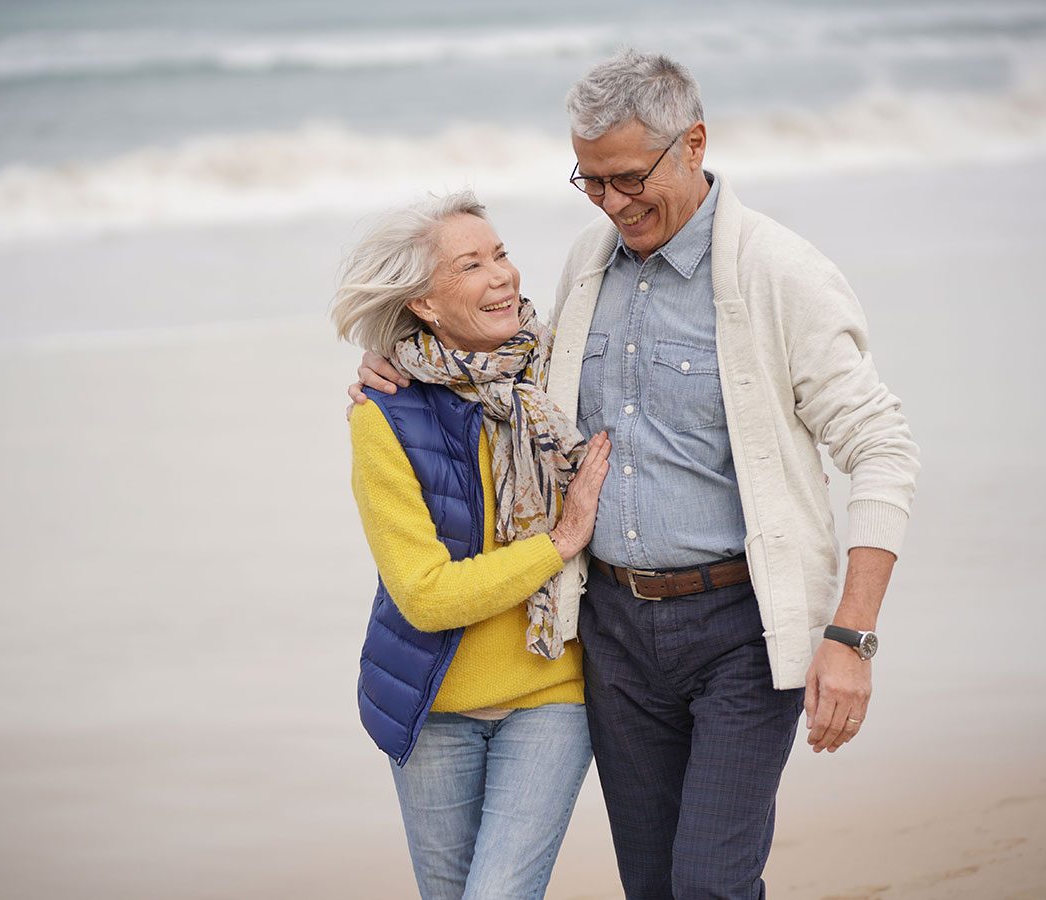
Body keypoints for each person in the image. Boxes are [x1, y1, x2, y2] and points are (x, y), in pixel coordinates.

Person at [350, 51, 920, 899]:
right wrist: (387, 353)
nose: (613, 204)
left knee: (709, 884)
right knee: (653, 885)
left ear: (693, 144)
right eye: (590, 183)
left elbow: (882, 446)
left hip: (742, 629)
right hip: (613, 633)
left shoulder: (780, 273)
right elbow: (505, 370)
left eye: (627, 178)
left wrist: (851, 636)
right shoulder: (588, 263)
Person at [333, 190, 612, 900]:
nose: (503, 277)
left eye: (502, 254)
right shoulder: (384, 413)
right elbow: (425, 596)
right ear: (424, 302)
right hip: (431, 705)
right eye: (471, 266)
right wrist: (560, 541)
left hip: (551, 691)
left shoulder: (561, 373)